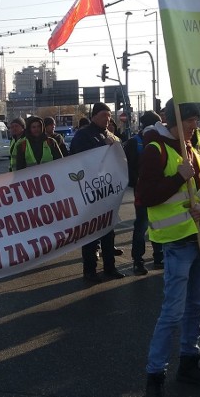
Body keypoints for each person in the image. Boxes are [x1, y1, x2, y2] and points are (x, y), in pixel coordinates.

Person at [140, 100, 200, 396]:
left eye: (197, 120)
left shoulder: (193, 150)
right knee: (172, 313)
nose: (194, 125)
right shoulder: (155, 150)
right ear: (173, 119)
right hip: (176, 244)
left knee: (196, 307)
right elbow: (145, 196)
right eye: (190, 120)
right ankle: (155, 375)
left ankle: (189, 362)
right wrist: (178, 177)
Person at [70, 102, 126, 283]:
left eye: (109, 116)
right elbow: (80, 158)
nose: (108, 119)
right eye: (104, 116)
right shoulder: (83, 135)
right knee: (91, 233)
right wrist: (104, 145)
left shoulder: (110, 135)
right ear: (94, 116)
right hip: (89, 192)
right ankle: (90, 270)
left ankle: (110, 267)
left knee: (108, 231)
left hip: (106, 191)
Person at [124, 110, 163, 275]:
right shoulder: (135, 143)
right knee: (142, 225)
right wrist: (139, 184)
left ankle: (157, 257)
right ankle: (138, 260)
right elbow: (128, 168)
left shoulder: (160, 140)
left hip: (159, 190)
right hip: (145, 192)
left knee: (157, 225)